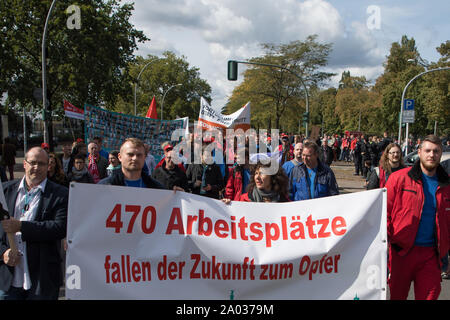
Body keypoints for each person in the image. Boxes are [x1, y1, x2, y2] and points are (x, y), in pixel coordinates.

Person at [385, 135, 450, 300]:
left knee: (430, 295)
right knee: (397, 296)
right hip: (401, 253)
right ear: (419, 152)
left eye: (436, 151)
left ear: (441, 153)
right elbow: (384, 213)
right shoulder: (398, 178)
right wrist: (385, 245)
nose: (431, 155)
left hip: (431, 255)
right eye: (427, 150)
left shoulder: (447, 185)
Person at [0, 147, 68, 300]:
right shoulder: (5, 191)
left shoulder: (60, 194)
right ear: (24, 164)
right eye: (32, 163)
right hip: (8, 279)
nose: (36, 167)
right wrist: (3, 252)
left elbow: (59, 227)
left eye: (42, 164)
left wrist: (21, 226)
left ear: (49, 166)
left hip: (41, 280)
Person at [98, 138, 164, 189]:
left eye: (139, 155)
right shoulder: (104, 186)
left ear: (144, 158)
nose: (135, 158)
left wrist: (173, 196)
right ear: (120, 157)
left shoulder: (157, 188)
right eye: (130, 154)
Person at [223, 162, 290, 203]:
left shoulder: (283, 200)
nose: (257, 177)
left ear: (273, 177)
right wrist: (228, 206)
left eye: (262, 173)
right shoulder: (244, 199)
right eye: (256, 173)